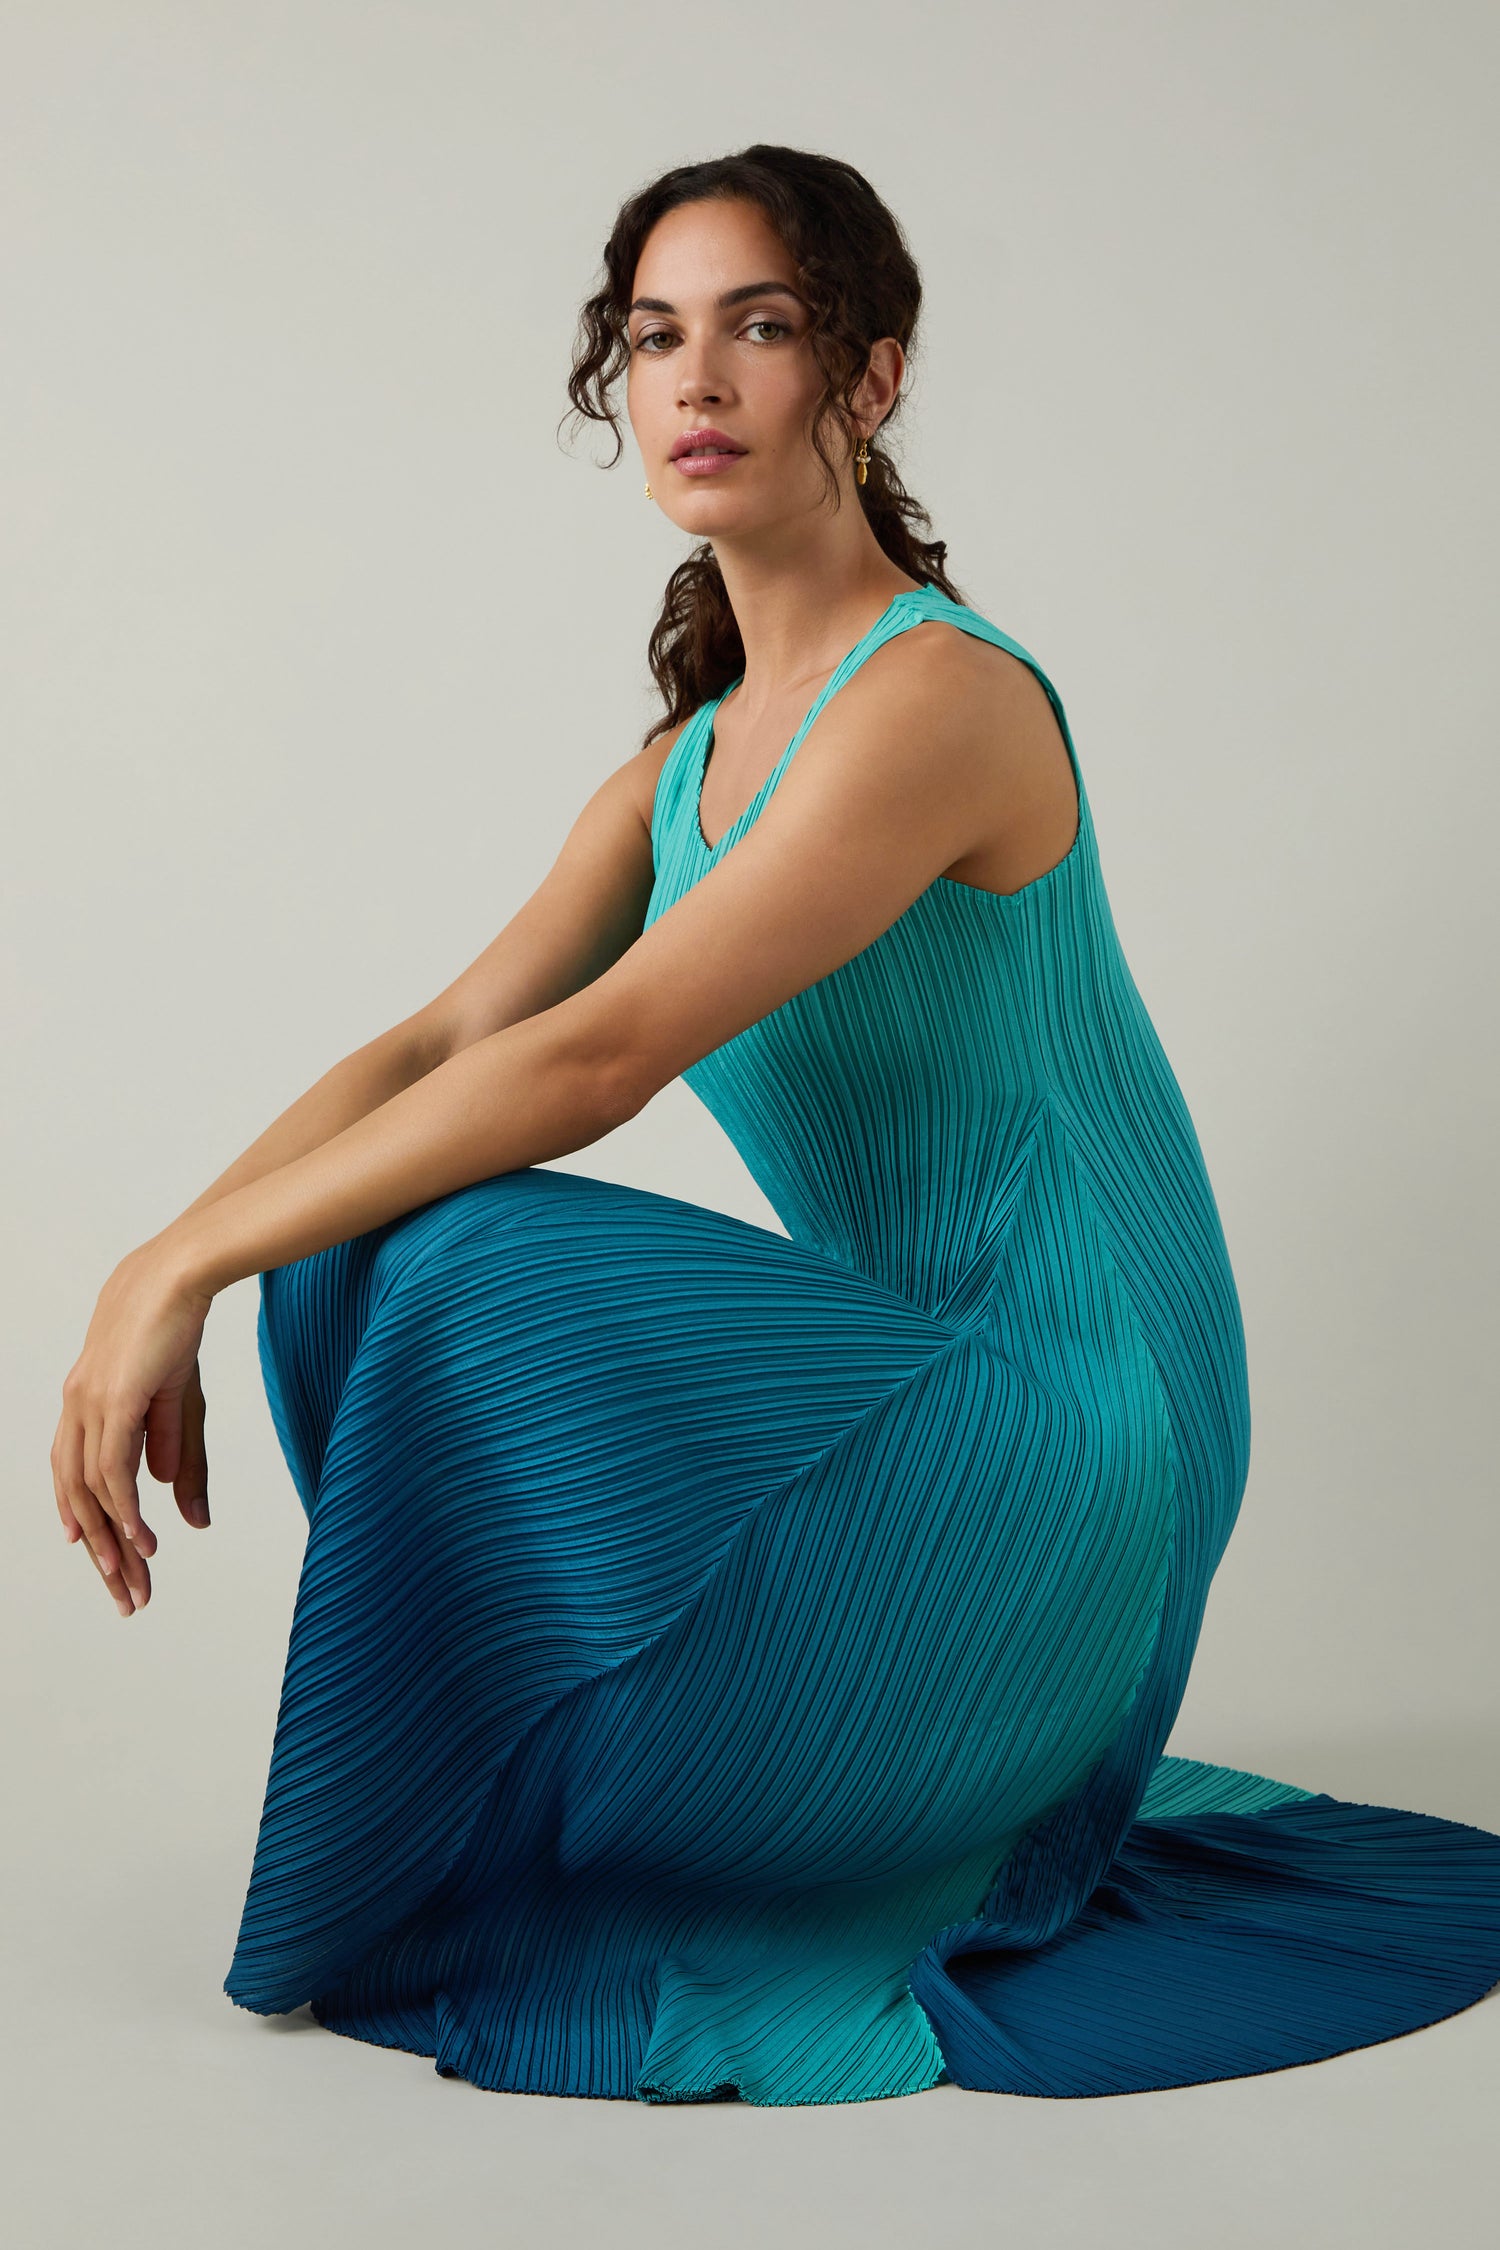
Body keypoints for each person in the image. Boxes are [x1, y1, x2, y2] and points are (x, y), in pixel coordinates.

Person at [51, 144, 1500, 2107]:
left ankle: (729, 1783)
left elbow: (597, 1058)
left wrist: (179, 1265)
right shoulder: (680, 771)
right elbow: (445, 1040)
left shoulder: (939, 701)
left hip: (1079, 1428)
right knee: (344, 1251)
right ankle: (568, 1777)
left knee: (470, 1258)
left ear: (869, 378)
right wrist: (171, 1271)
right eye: (658, 337)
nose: (700, 378)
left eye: (762, 325)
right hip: (905, 1390)